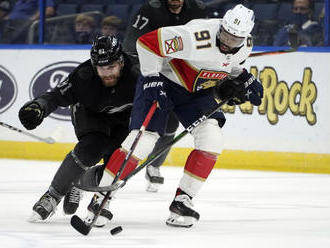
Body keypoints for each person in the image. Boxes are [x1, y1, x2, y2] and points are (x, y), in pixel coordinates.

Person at [94, 4, 263, 227]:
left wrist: (243, 79)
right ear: (221, 26)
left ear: (244, 38)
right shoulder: (195, 36)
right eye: (225, 35)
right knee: (143, 142)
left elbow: (230, 66)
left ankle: (183, 200)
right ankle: (101, 200)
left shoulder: (246, 45)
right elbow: (146, 43)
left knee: (212, 140)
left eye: (234, 40)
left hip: (196, 91)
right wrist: (152, 77)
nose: (227, 42)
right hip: (162, 81)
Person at [18, 35, 140, 225]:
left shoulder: (138, 70)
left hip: (125, 118)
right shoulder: (83, 76)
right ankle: (52, 196)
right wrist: (38, 106)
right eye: (101, 68)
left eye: (111, 67)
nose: (106, 73)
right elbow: (55, 96)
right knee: (91, 148)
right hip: (90, 115)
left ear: (121, 62)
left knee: (119, 162)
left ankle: (83, 184)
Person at [123, 0, 209, 192]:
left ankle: (154, 164)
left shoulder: (198, 10)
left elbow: (207, 47)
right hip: (151, 73)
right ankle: (118, 166)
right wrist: (148, 73)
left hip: (179, 77)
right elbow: (131, 45)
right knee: (137, 123)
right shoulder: (149, 10)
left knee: (170, 124)